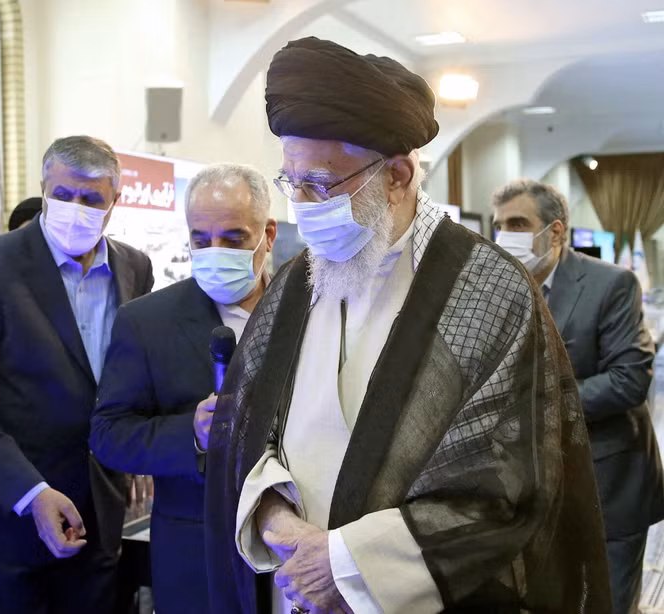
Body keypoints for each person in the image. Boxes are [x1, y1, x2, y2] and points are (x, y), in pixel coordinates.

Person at [204, 37, 611, 614]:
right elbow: (250, 426)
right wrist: (275, 520)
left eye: (319, 184)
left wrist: (343, 564)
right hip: (291, 581)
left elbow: (505, 484)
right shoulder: (295, 282)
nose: (302, 205)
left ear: (396, 175)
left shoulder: (487, 289)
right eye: (290, 182)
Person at [0, 135, 155, 613]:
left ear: (115, 201)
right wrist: (31, 492)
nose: (75, 209)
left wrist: (139, 450)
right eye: (63, 195)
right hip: (5, 523)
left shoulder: (134, 268)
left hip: (98, 515)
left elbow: (128, 378)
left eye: (91, 199)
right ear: (44, 189)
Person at [91, 163, 277, 614]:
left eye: (233, 238)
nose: (215, 252)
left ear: (268, 235)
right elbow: (109, 435)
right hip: (197, 556)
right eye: (201, 239)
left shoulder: (307, 309)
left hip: (294, 553)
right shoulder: (147, 322)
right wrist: (191, 434)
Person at [493, 179, 664, 613]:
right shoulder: (500, 290)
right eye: (500, 225)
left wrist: (537, 405)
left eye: (518, 223)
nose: (505, 235)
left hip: (609, 481)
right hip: (532, 489)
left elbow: (628, 380)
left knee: (609, 601)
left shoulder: (612, 284)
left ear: (555, 232)